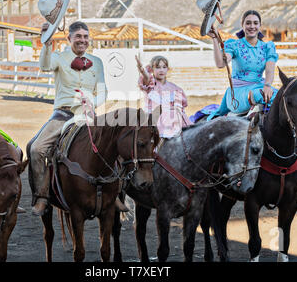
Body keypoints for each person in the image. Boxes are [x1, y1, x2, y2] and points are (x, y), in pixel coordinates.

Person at [28, 21, 127, 216]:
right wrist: (46, 42)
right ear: (69, 38)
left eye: (85, 37)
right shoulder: (59, 57)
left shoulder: (96, 62)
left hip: (90, 115)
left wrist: (93, 102)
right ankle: (42, 196)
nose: (82, 40)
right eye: (78, 37)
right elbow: (45, 65)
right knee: (36, 148)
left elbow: (102, 89)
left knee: (117, 146)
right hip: (64, 114)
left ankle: (115, 192)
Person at [206, 10, 279, 120]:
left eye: (255, 23)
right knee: (259, 95)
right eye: (248, 23)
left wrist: (268, 85)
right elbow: (221, 63)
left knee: (284, 96)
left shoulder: (267, 47)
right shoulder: (235, 45)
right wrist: (215, 39)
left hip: (261, 87)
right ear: (242, 25)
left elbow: (270, 69)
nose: (252, 26)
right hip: (238, 93)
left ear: (260, 25)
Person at [136, 55, 193, 139]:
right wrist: (142, 71)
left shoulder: (175, 88)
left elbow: (180, 109)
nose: (161, 70)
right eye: (158, 67)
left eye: (164, 67)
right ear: (152, 69)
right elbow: (146, 77)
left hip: (173, 122)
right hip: (154, 121)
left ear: (168, 69)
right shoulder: (151, 84)